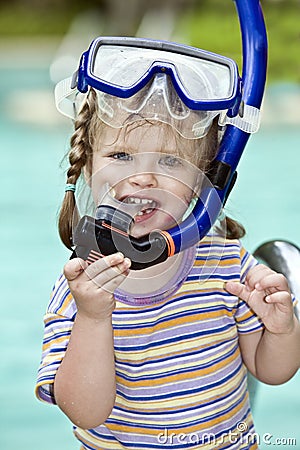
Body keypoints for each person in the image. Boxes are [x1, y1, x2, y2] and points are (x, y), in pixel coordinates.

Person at [36, 37, 300, 450]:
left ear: (204, 180)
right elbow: (85, 411)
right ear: (88, 167)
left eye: (171, 161)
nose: (143, 177)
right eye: (121, 156)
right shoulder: (81, 287)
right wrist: (91, 317)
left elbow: (271, 372)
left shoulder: (230, 267)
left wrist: (281, 330)